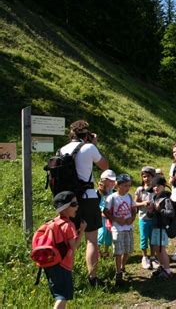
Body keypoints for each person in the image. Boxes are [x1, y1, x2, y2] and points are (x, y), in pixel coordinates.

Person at [60, 120, 108, 286]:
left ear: (72, 133)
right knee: (91, 240)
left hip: (68, 201)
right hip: (87, 198)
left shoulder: (62, 149)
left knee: (70, 239)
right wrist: (93, 144)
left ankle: (66, 278)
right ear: (87, 134)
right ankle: (93, 279)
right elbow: (105, 166)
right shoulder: (89, 147)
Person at [45, 191, 86, 309]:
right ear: (64, 208)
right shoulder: (68, 225)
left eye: (77, 204)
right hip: (63, 265)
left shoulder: (54, 222)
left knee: (59, 294)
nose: (77, 207)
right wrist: (82, 230)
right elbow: (74, 247)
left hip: (51, 264)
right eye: (73, 204)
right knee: (62, 297)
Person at [103, 173, 136, 285]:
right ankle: (118, 273)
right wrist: (116, 219)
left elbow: (133, 209)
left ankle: (122, 265)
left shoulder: (129, 197)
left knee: (128, 249)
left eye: (129, 185)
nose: (128, 188)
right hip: (117, 228)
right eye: (125, 185)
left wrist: (132, 218)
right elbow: (106, 211)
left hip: (128, 227)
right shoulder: (112, 197)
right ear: (118, 185)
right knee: (118, 251)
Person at [147, 175, 174, 279]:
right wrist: (150, 211)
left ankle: (167, 270)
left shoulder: (166, 199)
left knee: (162, 249)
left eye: (158, 185)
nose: (155, 188)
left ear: (163, 186)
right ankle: (162, 267)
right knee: (156, 249)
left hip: (162, 227)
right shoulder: (154, 198)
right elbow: (151, 215)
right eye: (154, 186)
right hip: (155, 226)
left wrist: (159, 210)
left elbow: (171, 213)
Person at [134, 166, 157, 270]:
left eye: (148, 176)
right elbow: (134, 203)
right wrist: (143, 203)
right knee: (144, 238)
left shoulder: (156, 189)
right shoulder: (140, 190)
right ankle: (144, 257)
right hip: (143, 218)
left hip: (154, 218)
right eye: (144, 176)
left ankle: (153, 257)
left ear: (153, 177)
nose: (146, 179)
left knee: (153, 238)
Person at [97, 169, 116, 258]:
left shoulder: (113, 191)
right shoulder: (98, 192)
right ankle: (97, 251)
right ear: (104, 180)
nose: (113, 182)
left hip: (110, 216)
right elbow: (95, 206)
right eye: (110, 180)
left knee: (109, 234)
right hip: (101, 216)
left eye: (113, 180)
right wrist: (101, 213)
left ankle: (106, 252)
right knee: (102, 233)